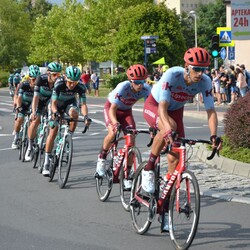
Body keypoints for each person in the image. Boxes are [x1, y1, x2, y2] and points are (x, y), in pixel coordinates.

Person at [142, 47, 222, 230]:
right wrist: (167, 130)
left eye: (204, 69)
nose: (200, 74)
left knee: (175, 160)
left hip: (176, 110)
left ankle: (164, 208)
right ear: (187, 66)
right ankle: (148, 168)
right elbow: (162, 107)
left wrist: (213, 136)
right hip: (155, 106)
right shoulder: (172, 74)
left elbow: (211, 111)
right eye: (196, 69)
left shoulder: (205, 82)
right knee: (168, 127)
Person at [95, 64, 152, 189]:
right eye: (137, 82)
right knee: (112, 133)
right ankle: (101, 159)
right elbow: (112, 109)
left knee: (131, 141)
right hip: (112, 109)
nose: (140, 85)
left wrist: (152, 125)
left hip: (126, 112)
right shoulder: (122, 87)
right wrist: (115, 123)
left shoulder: (146, 89)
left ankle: (127, 176)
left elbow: (150, 109)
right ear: (131, 81)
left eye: (142, 81)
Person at [42, 66, 91, 176]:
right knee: (53, 130)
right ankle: (46, 160)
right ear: (65, 78)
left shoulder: (81, 86)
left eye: (75, 82)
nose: (72, 85)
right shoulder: (59, 83)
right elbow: (53, 103)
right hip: (56, 105)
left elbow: (83, 104)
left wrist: (86, 116)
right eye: (70, 82)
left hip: (69, 104)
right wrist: (55, 113)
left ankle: (68, 137)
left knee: (74, 114)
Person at [24, 62, 62, 161]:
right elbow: (35, 97)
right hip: (40, 101)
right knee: (35, 120)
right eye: (54, 74)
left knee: (53, 123)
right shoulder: (41, 79)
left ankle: (48, 148)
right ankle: (30, 145)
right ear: (48, 73)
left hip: (51, 102)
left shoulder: (59, 82)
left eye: (58, 74)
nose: (57, 77)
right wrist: (33, 112)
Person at [11, 69, 36, 149]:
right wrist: (18, 106)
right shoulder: (24, 84)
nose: (34, 81)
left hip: (31, 105)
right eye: (33, 79)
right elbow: (19, 97)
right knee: (20, 118)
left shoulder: (39, 86)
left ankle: (32, 141)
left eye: (36, 79)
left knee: (34, 121)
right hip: (23, 103)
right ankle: (16, 137)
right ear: (29, 79)